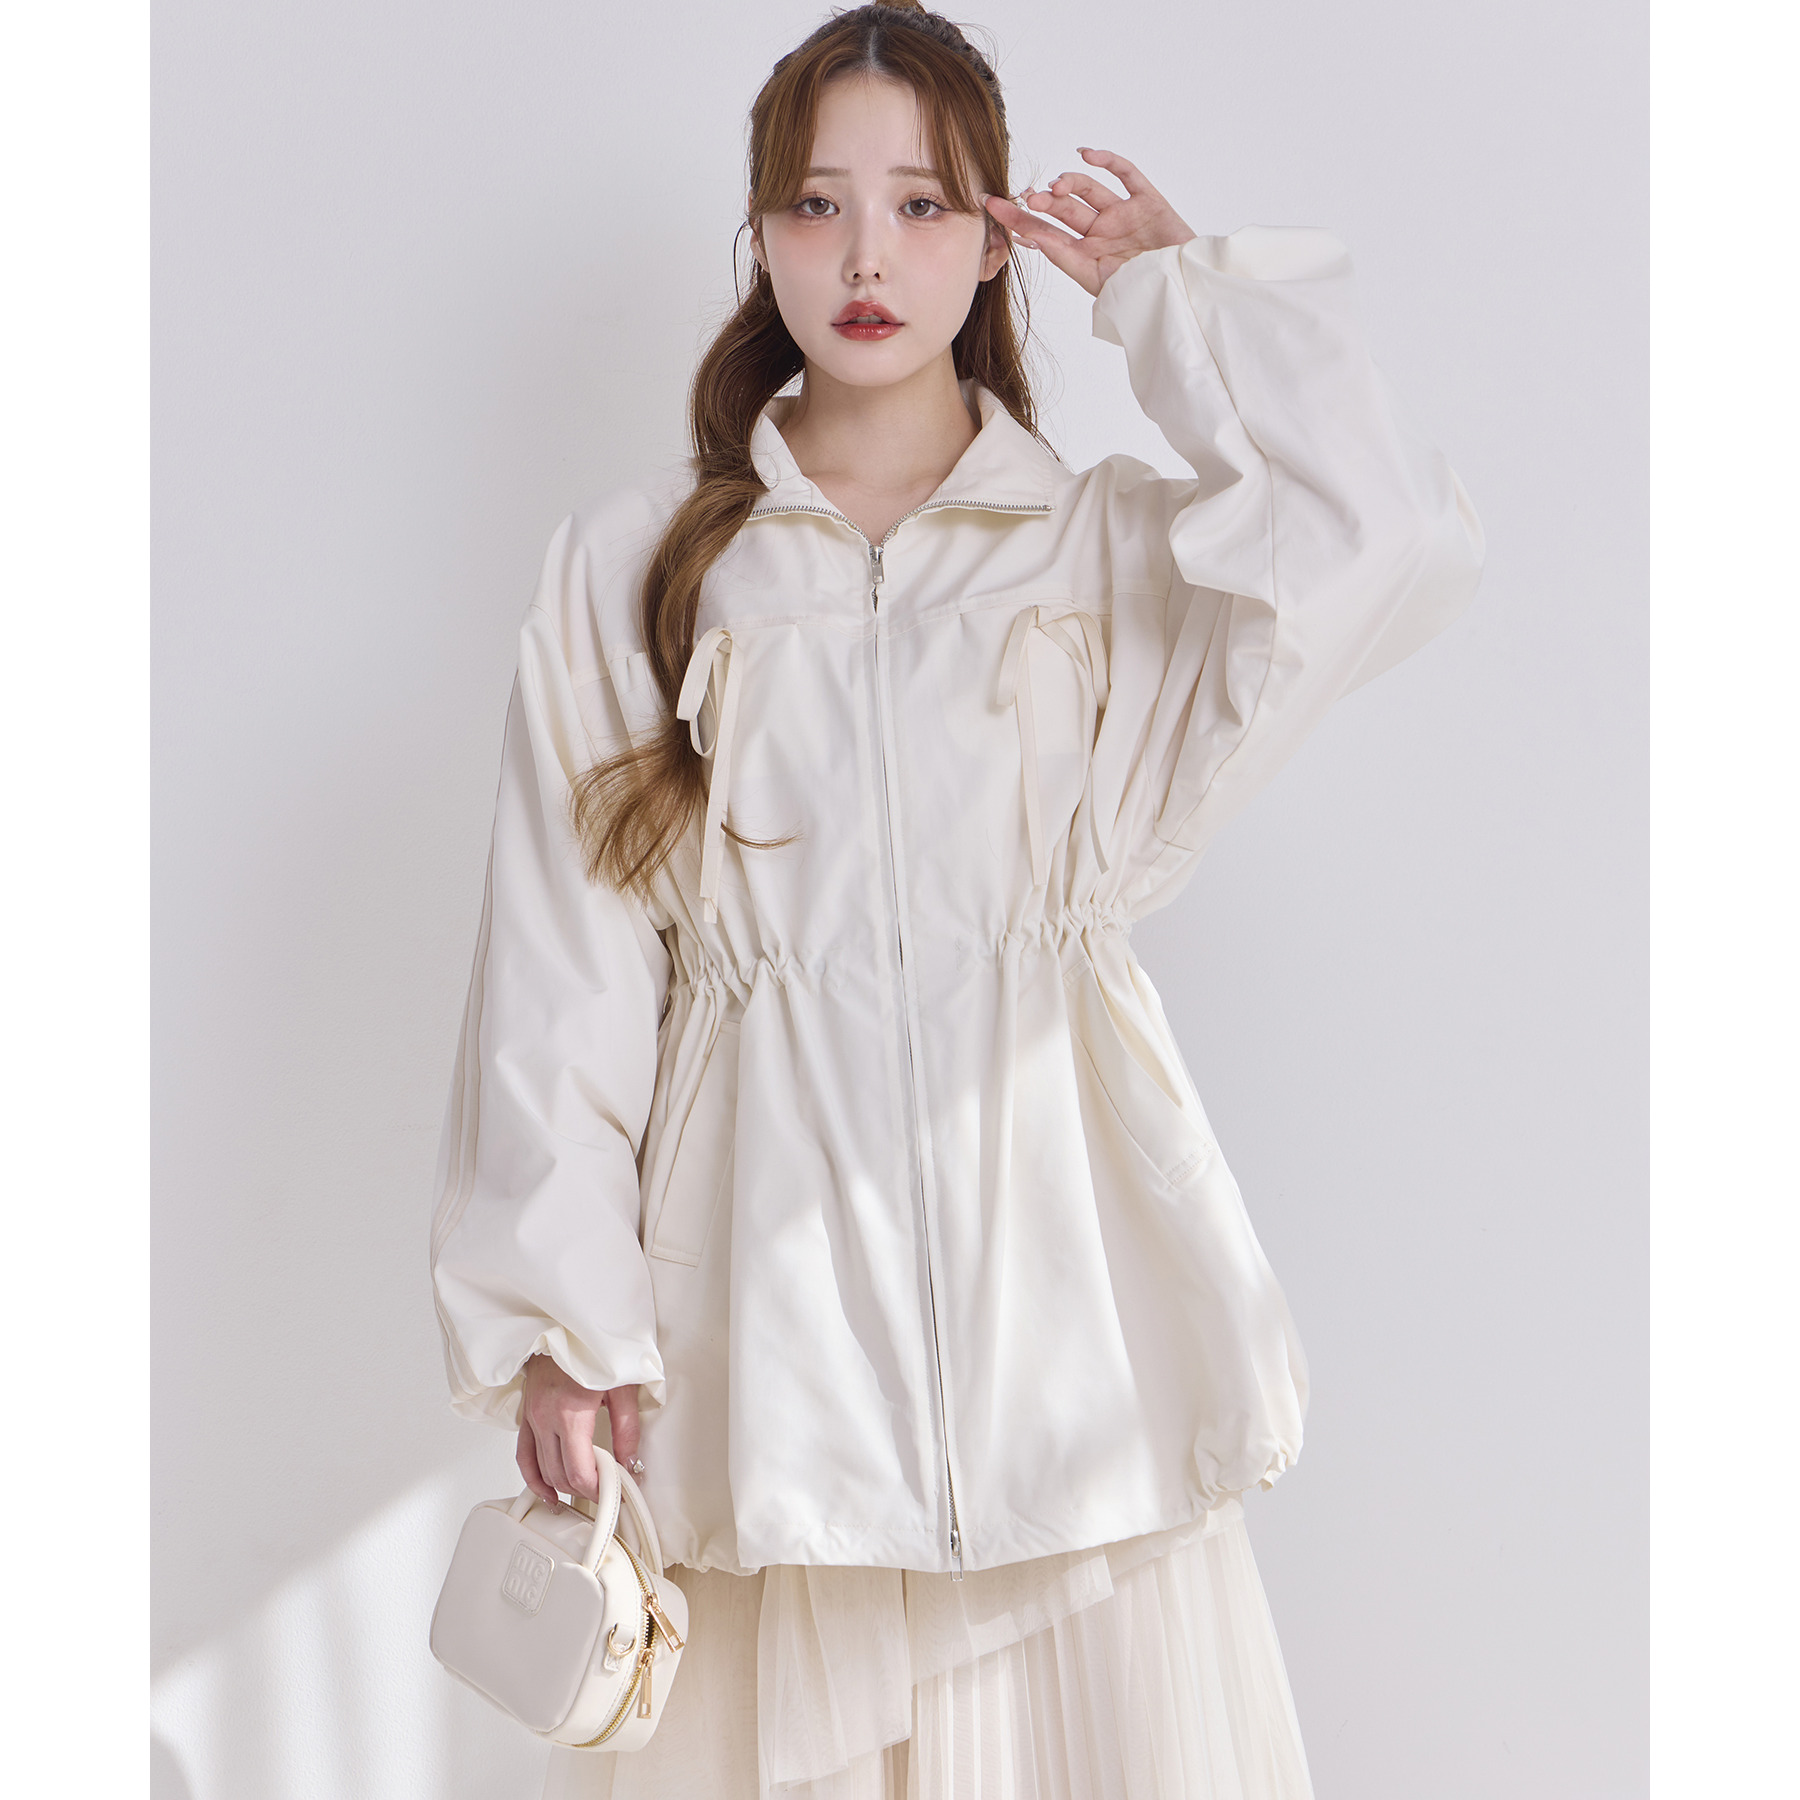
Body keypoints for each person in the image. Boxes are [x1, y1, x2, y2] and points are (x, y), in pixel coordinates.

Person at [427, 4, 1485, 1795]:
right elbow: (563, 966)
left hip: (1075, 1355)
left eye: (922, 204)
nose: (866, 257)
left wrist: (1177, 304)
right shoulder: (636, 569)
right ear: (759, 234)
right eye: (817, 203)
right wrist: (560, 1322)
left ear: (997, 235)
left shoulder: (1101, 549)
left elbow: (1380, 537)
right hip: (767, 1357)